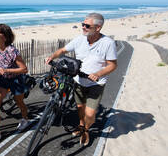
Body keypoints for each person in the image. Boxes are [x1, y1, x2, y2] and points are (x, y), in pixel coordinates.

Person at [45, 13, 117, 146]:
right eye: (82, 24)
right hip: (78, 81)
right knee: (80, 108)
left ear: (98, 28)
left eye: (87, 25)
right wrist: (52, 57)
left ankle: (86, 130)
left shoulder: (108, 43)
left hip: (96, 84)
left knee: (90, 114)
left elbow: (113, 65)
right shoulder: (79, 39)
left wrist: (99, 73)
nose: (83, 27)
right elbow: (62, 50)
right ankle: (81, 125)